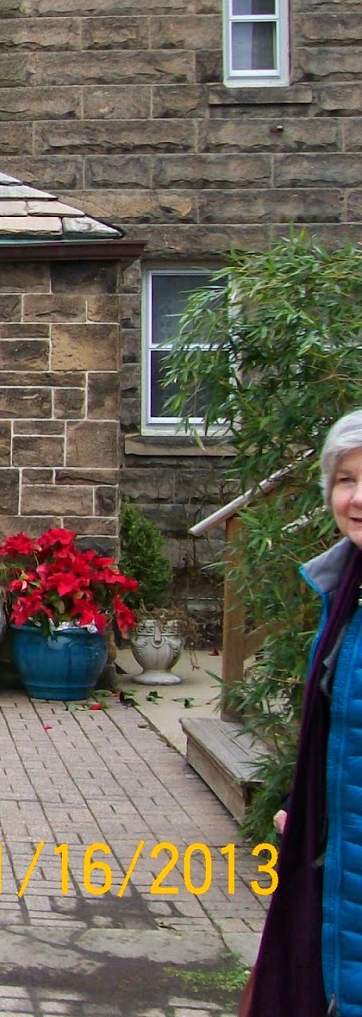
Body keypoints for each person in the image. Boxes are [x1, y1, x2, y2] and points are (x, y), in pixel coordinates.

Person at [245, 408, 362, 1016]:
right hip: (339, 860)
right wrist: (313, 799)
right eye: (346, 480)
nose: (357, 498)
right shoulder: (347, 591)